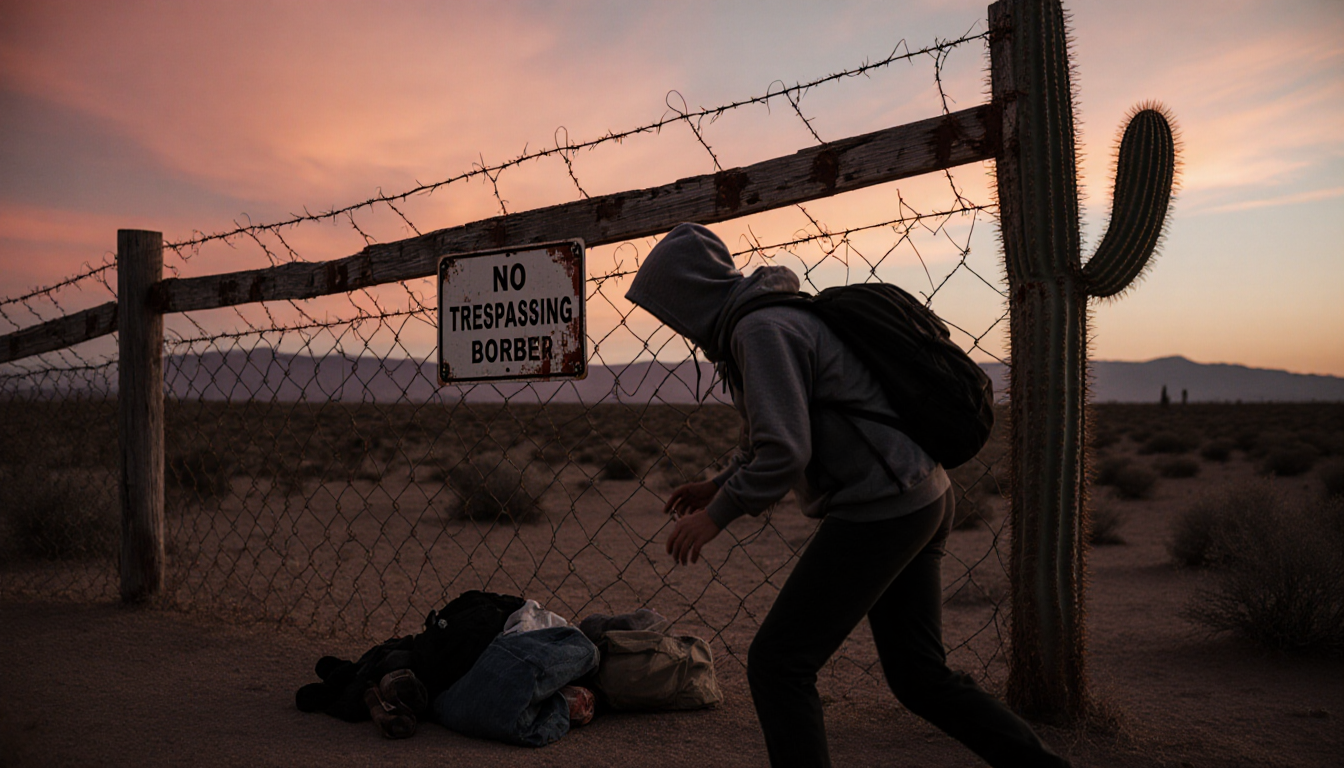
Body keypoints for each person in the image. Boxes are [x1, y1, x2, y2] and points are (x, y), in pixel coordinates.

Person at [624, 223, 1070, 768]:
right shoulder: (769, 319)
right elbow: (775, 435)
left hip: (881, 507)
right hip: (922, 494)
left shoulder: (759, 332)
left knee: (778, 663)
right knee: (918, 676)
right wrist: (716, 483)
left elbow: (786, 452)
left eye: (664, 307)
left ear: (686, 294)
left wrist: (717, 514)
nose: (669, 323)